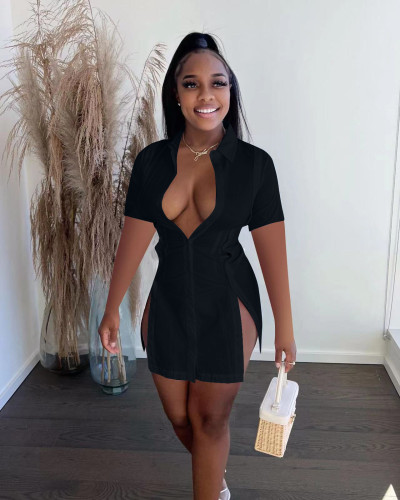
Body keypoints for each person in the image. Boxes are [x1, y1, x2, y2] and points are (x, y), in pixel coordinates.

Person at [98, 32, 296, 500]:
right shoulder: (151, 161)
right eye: (192, 84)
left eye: (218, 83)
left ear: (231, 91)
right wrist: (111, 308)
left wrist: (285, 328)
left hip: (228, 302)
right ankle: (215, 480)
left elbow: (273, 252)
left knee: (210, 419)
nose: (206, 95)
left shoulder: (254, 166)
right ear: (176, 93)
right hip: (167, 300)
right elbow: (134, 237)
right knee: (181, 418)